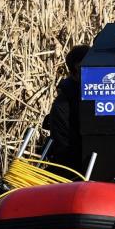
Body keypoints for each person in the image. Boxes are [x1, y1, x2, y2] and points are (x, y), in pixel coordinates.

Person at [41, 44, 90, 172]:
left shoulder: (101, 96)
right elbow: (64, 147)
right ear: (75, 70)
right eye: (84, 68)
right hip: (76, 172)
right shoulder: (62, 105)